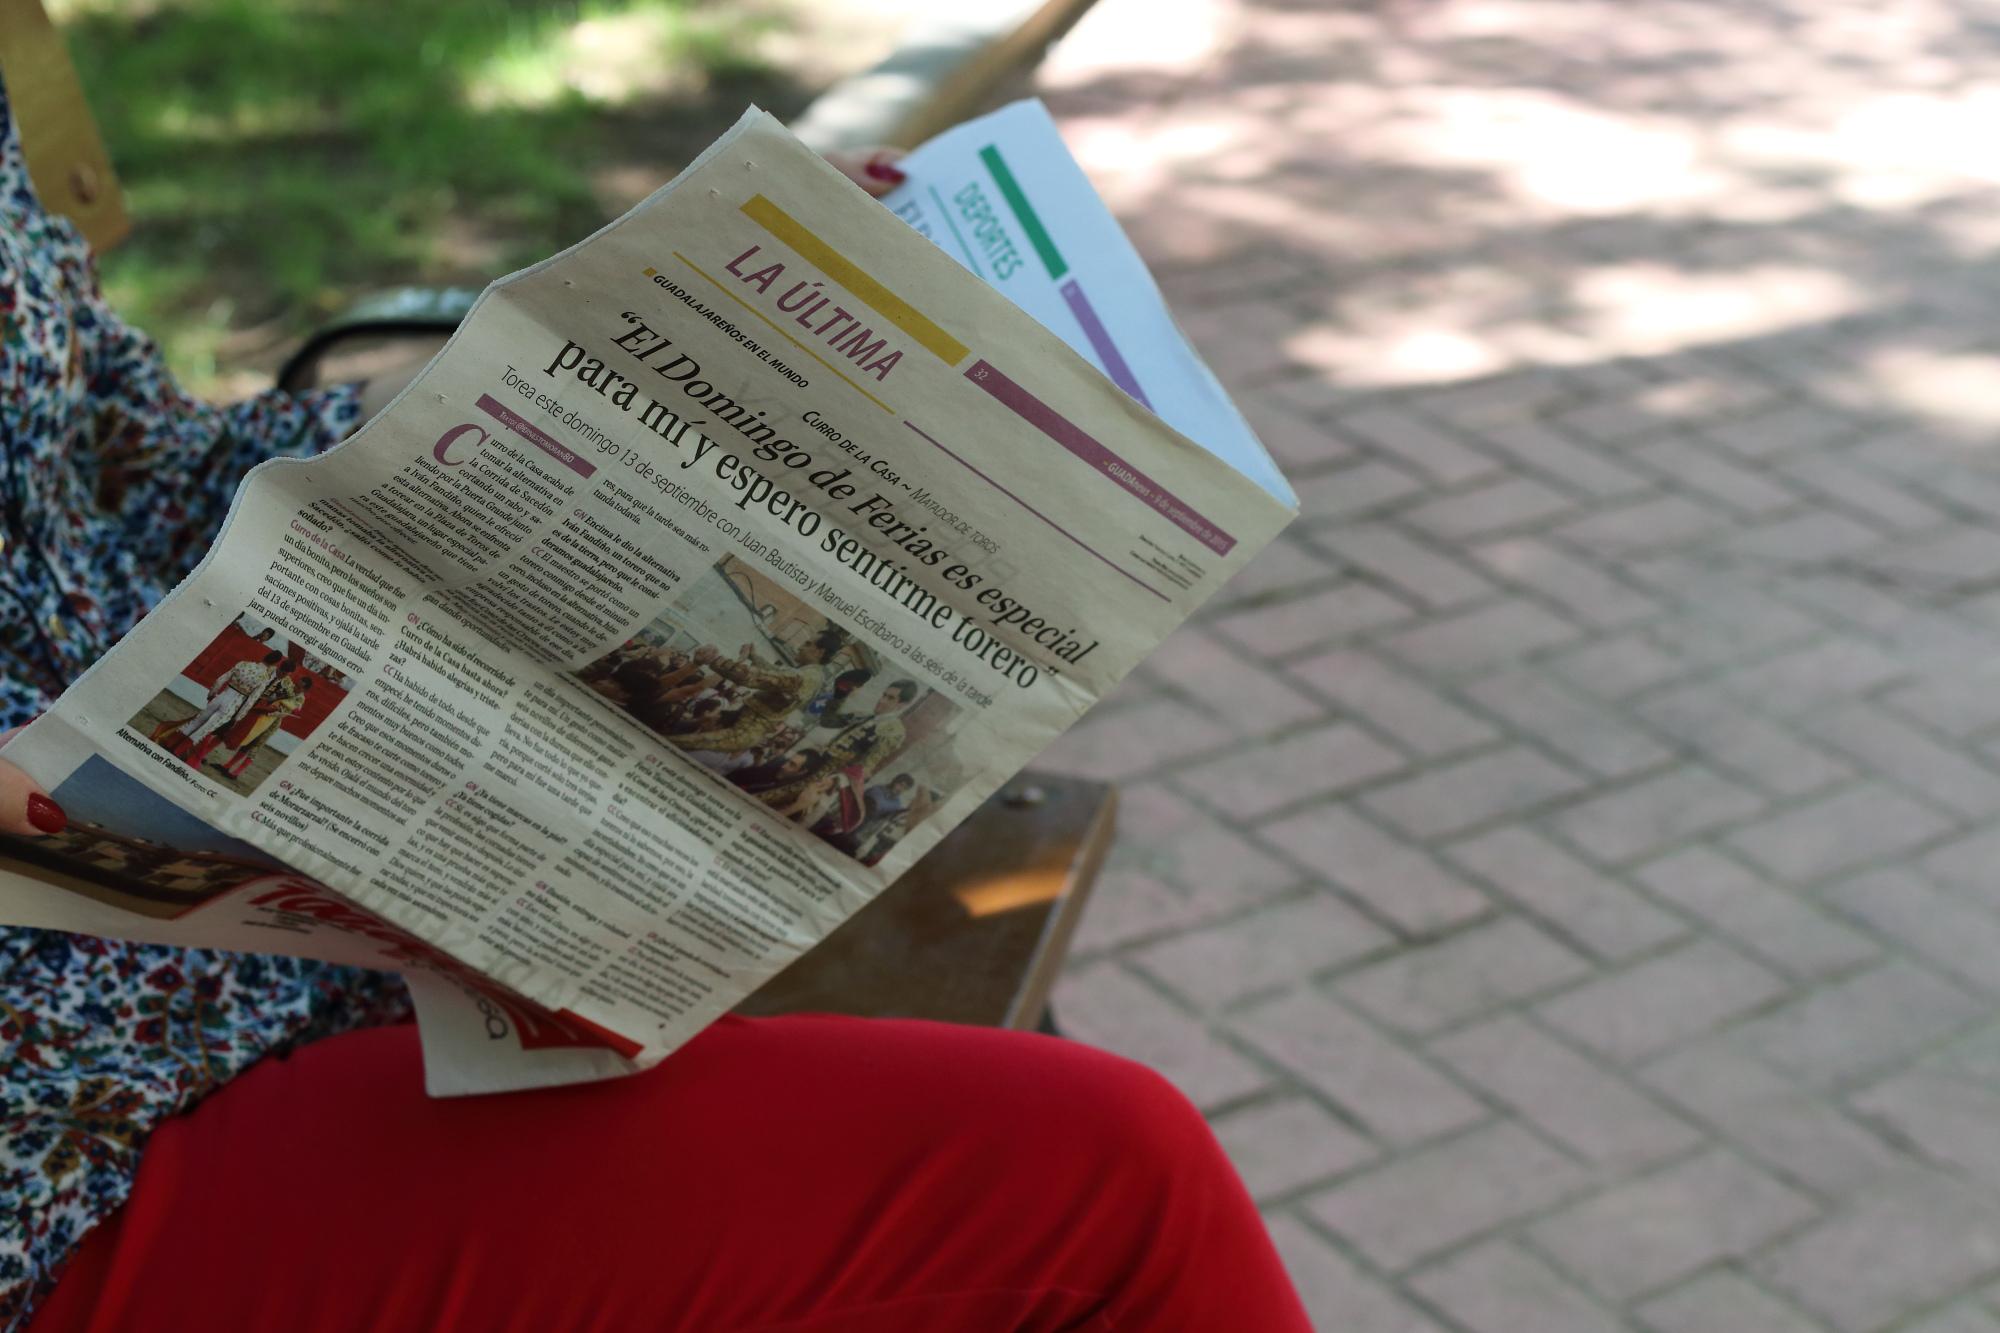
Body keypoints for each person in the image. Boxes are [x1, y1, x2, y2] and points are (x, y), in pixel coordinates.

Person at [0, 71, 1308, 1331]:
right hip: (71, 1139)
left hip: (270, 938)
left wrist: (624, 331)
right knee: (1108, 1190)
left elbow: (121, 465)